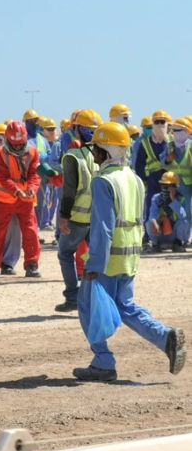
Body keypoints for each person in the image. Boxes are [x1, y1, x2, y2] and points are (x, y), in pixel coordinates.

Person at [73, 121, 186, 381]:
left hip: (108, 260)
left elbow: (103, 228)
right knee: (125, 306)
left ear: (107, 151)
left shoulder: (104, 181)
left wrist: (94, 266)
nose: (94, 154)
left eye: (97, 149)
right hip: (130, 257)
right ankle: (164, 336)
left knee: (87, 307)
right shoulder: (135, 180)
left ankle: (103, 361)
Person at [0, 121, 42, 278]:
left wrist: (31, 189)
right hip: (4, 199)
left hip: (26, 200)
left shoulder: (33, 152)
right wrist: (17, 191)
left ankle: (32, 265)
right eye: (14, 144)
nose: (17, 147)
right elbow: (3, 176)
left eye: (20, 145)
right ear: (7, 139)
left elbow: (34, 175)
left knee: (31, 233)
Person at [55, 110, 100, 312]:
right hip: (97, 218)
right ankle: (94, 296)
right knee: (95, 257)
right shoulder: (101, 156)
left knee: (65, 254)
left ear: (76, 130)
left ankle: (73, 297)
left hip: (77, 217)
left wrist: (64, 217)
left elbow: (69, 191)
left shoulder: (72, 157)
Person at [134, 110, 173, 252]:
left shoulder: (171, 142)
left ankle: (170, 239)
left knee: (170, 209)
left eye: (163, 122)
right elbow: (139, 165)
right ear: (153, 124)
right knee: (151, 209)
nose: (160, 125)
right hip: (152, 182)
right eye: (157, 122)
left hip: (169, 183)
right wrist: (143, 180)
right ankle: (149, 239)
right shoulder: (145, 143)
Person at [146, 171, 188, 252]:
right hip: (159, 233)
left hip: (174, 235)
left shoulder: (181, 198)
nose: (165, 188)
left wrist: (173, 200)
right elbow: (152, 215)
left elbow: (183, 216)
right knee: (149, 222)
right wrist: (155, 223)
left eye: (168, 186)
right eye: (163, 185)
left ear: (175, 187)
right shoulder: (156, 198)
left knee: (185, 221)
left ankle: (178, 244)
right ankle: (155, 245)